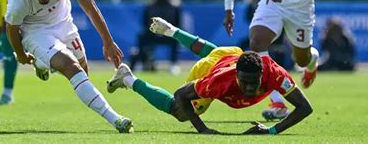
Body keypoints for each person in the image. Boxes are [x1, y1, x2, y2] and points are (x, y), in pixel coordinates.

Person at [107, 17, 313, 134]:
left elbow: (305, 107)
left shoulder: (275, 74)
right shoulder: (220, 82)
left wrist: (272, 131)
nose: (250, 88)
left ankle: (173, 31)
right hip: (213, 68)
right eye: (245, 83)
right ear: (237, 77)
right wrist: (202, 129)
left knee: (217, 52)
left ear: (262, 73)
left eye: (254, 81)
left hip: (232, 56)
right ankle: (127, 78)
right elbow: (181, 94)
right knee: (179, 112)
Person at [4, 0, 133, 133]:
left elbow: (90, 8)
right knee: (70, 67)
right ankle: (115, 119)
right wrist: (20, 54)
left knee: (83, 71)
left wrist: (108, 42)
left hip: (64, 23)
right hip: (35, 30)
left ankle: (43, 62)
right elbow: (11, 29)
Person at [130, 0, 182, 73]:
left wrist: (168, 31)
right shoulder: (150, 6)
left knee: (177, 37)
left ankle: (173, 64)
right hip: (153, 34)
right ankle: (142, 63)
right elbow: (145, 23)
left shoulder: (174, 6)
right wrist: (154, 31)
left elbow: (178, 23)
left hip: (169, 34)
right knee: (142, 37)